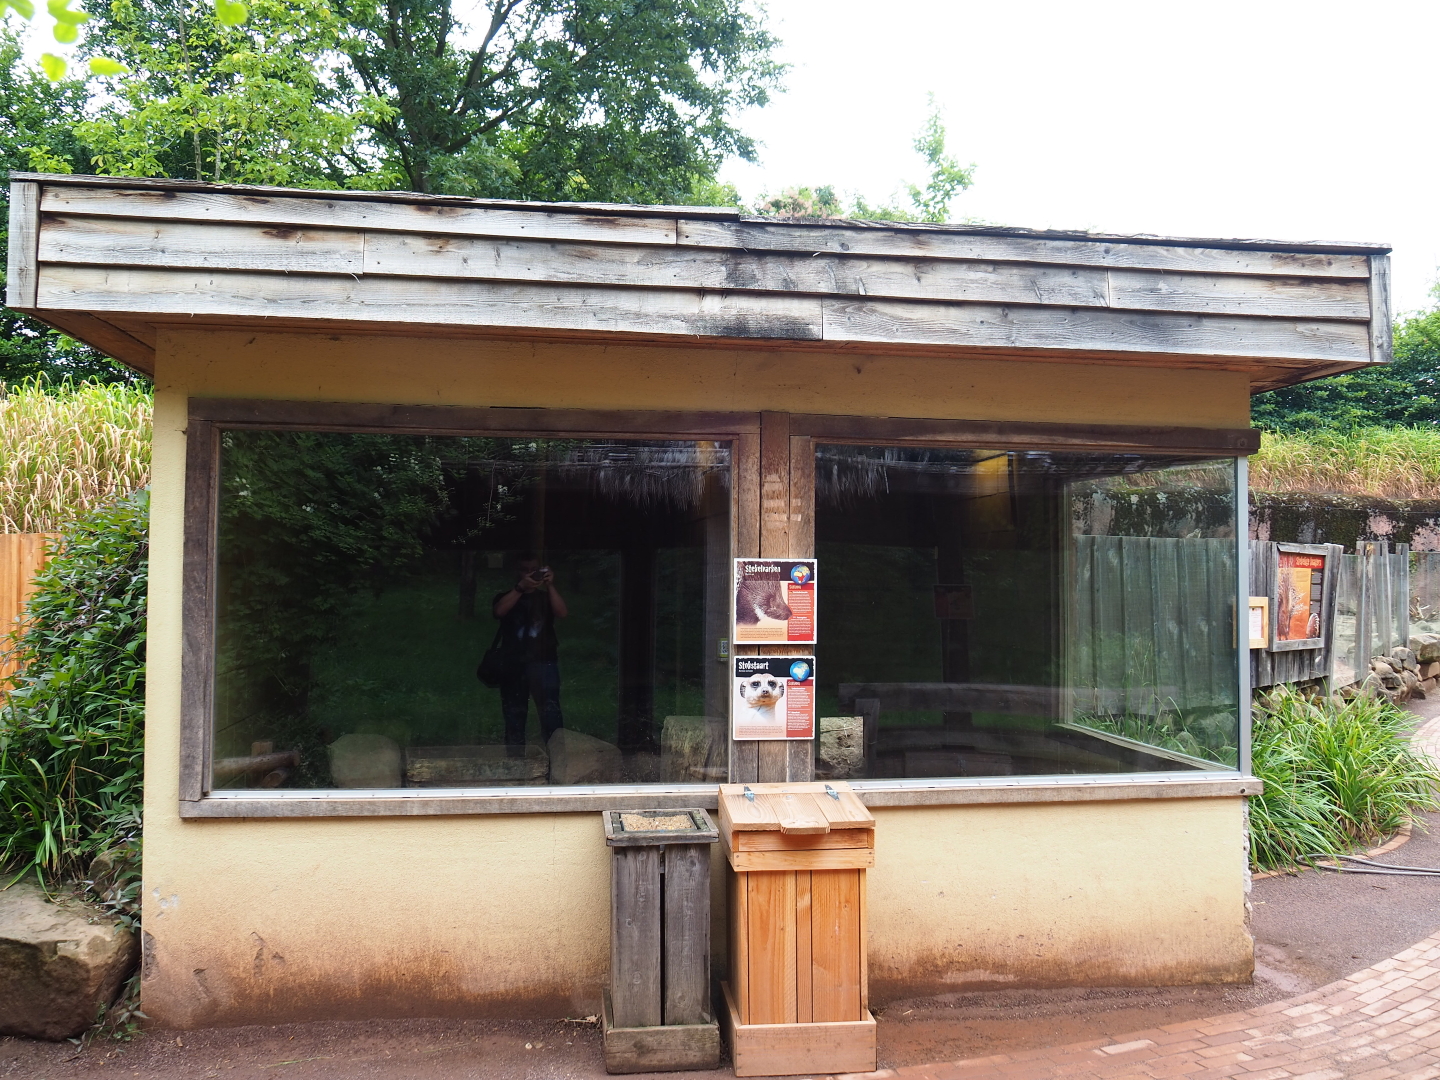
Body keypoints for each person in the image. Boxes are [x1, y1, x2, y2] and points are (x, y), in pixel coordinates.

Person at [492, 557, 568, 753]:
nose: (530, 573)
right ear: (517, 572)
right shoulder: (506, 596)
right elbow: (500, 610)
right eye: (525, 570)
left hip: (544, 662)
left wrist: (550, 585)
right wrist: (520, 588)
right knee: (514, 715)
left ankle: (557, 760)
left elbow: (562, 612)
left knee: (551, 714)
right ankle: (515, 763)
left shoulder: (545, 597)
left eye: (535, 570)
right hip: (513, 664)